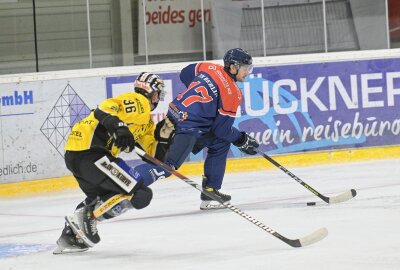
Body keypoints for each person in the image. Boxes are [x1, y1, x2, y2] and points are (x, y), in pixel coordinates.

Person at [53, 72, 175, 254]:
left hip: (79, 155)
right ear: (151, 92)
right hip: (92, 152)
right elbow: (104, 109)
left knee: (100, 199)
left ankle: (70, 237)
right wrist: (119, 127)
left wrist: (164, 139)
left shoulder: (147, 123)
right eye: (158, 93)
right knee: (141, 194)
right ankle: (90, 216)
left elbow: (152, 157)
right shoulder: (138, 102)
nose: (159, 97)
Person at [131, 48, 259, 210]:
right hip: (188, 128)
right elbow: (223, 130)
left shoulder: (209, 68)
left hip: (173, 114)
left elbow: (185, 73)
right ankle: (126, 181)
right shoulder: (233, 93)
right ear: (233, 67)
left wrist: (202, 99)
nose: (247, 71)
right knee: (166, 165)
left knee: (219, 143)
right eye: (245, 67)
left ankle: (210, 192)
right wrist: (241, 139)